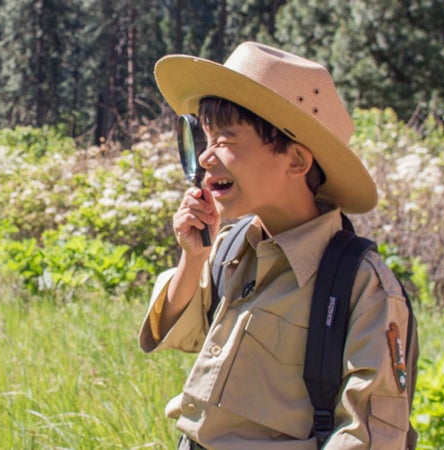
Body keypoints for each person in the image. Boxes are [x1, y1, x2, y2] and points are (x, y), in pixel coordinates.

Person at [139, 41, 417, 449]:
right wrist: (193, 258)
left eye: (226, 140)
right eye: (206, 138)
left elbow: (366, 437)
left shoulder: (362, 286)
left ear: (296, 161)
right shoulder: (231, 246)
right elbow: (179, 332)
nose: (204, 158)